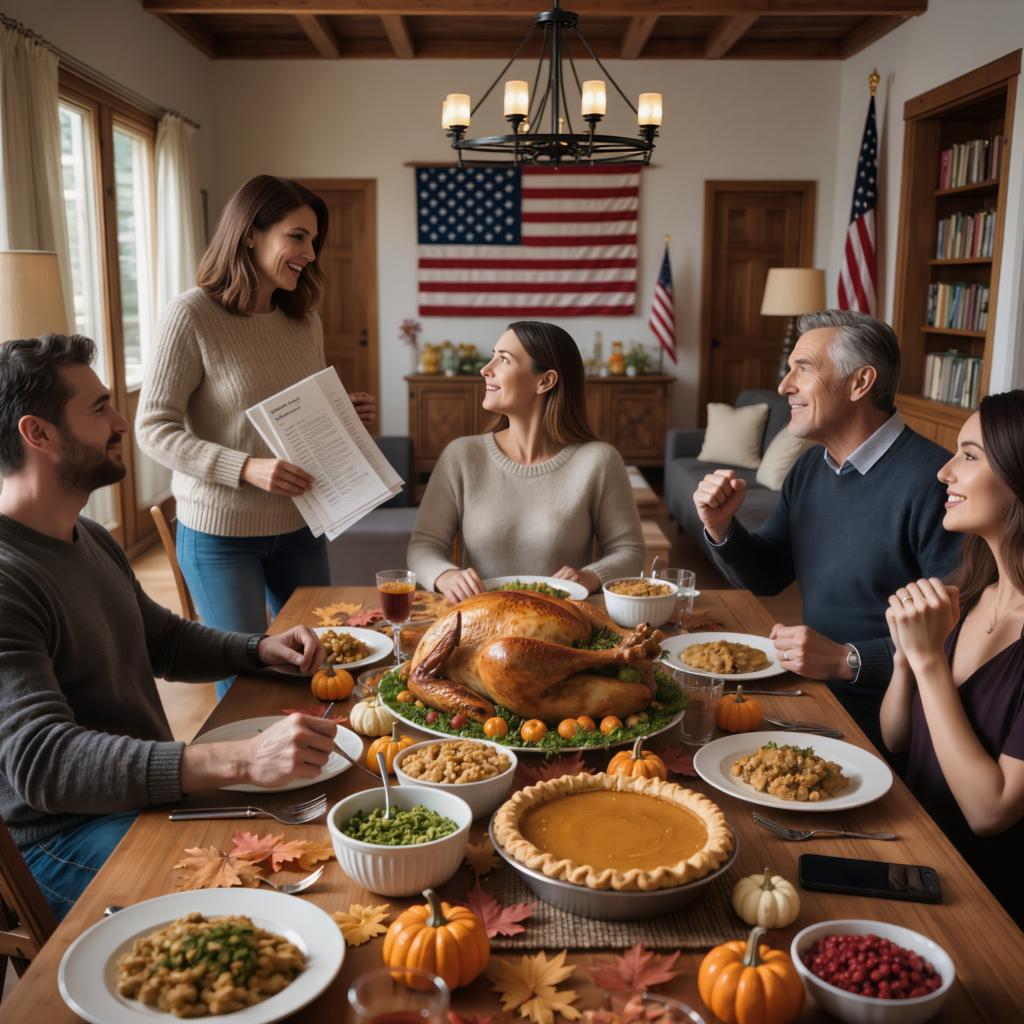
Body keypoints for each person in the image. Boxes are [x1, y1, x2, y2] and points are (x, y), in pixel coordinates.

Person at [0, 334, 338, 920]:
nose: (122, 422)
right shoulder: (8, 577)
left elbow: (161, 639)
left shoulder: (90, 537)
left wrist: (259, 648)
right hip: (64, 839)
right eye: (99, 407)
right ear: (39, 434)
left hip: (144, 797)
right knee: (253, 916)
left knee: (316, 849)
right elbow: (43, 762)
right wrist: (239, 760)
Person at [137, 175, 376, 700]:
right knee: (245, 681)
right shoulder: (192, 314)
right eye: (297, 237)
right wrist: (245, 467)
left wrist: (339, 416)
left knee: (323, 665)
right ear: (250, 234)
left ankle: (321, 768)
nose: (310, 254)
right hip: (220, 535)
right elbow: (152, 428)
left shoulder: (302, 322)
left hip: (299, 524)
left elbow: (285, 419)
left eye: (314, 241)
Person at [693, 310, 961, 757]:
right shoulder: (811, 467)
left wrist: (847, 660)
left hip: (894, 720)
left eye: (804, 368)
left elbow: (957, 632)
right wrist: (722, 528)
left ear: (860, 383)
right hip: (811, 692)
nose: (784, 386)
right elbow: (768, 574)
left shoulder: (935, 481)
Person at [880, 391, 1024, 926]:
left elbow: (990, 813)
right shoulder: (964, 593)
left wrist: (930, 664)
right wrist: (906, 656)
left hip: (985, 913)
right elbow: (898, 740)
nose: (944, 472)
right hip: (914, 866)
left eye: (968, 455)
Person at [408, 321, 645, 603]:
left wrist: (590, 576)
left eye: (504, 359)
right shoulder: (461, 456)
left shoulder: (600, 461)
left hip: (563, 626)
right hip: (482, 624)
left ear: (545, 381)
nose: (486, 369)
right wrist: (444, 575)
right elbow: (424, 545)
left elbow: (630, 551)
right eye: (493, 355)